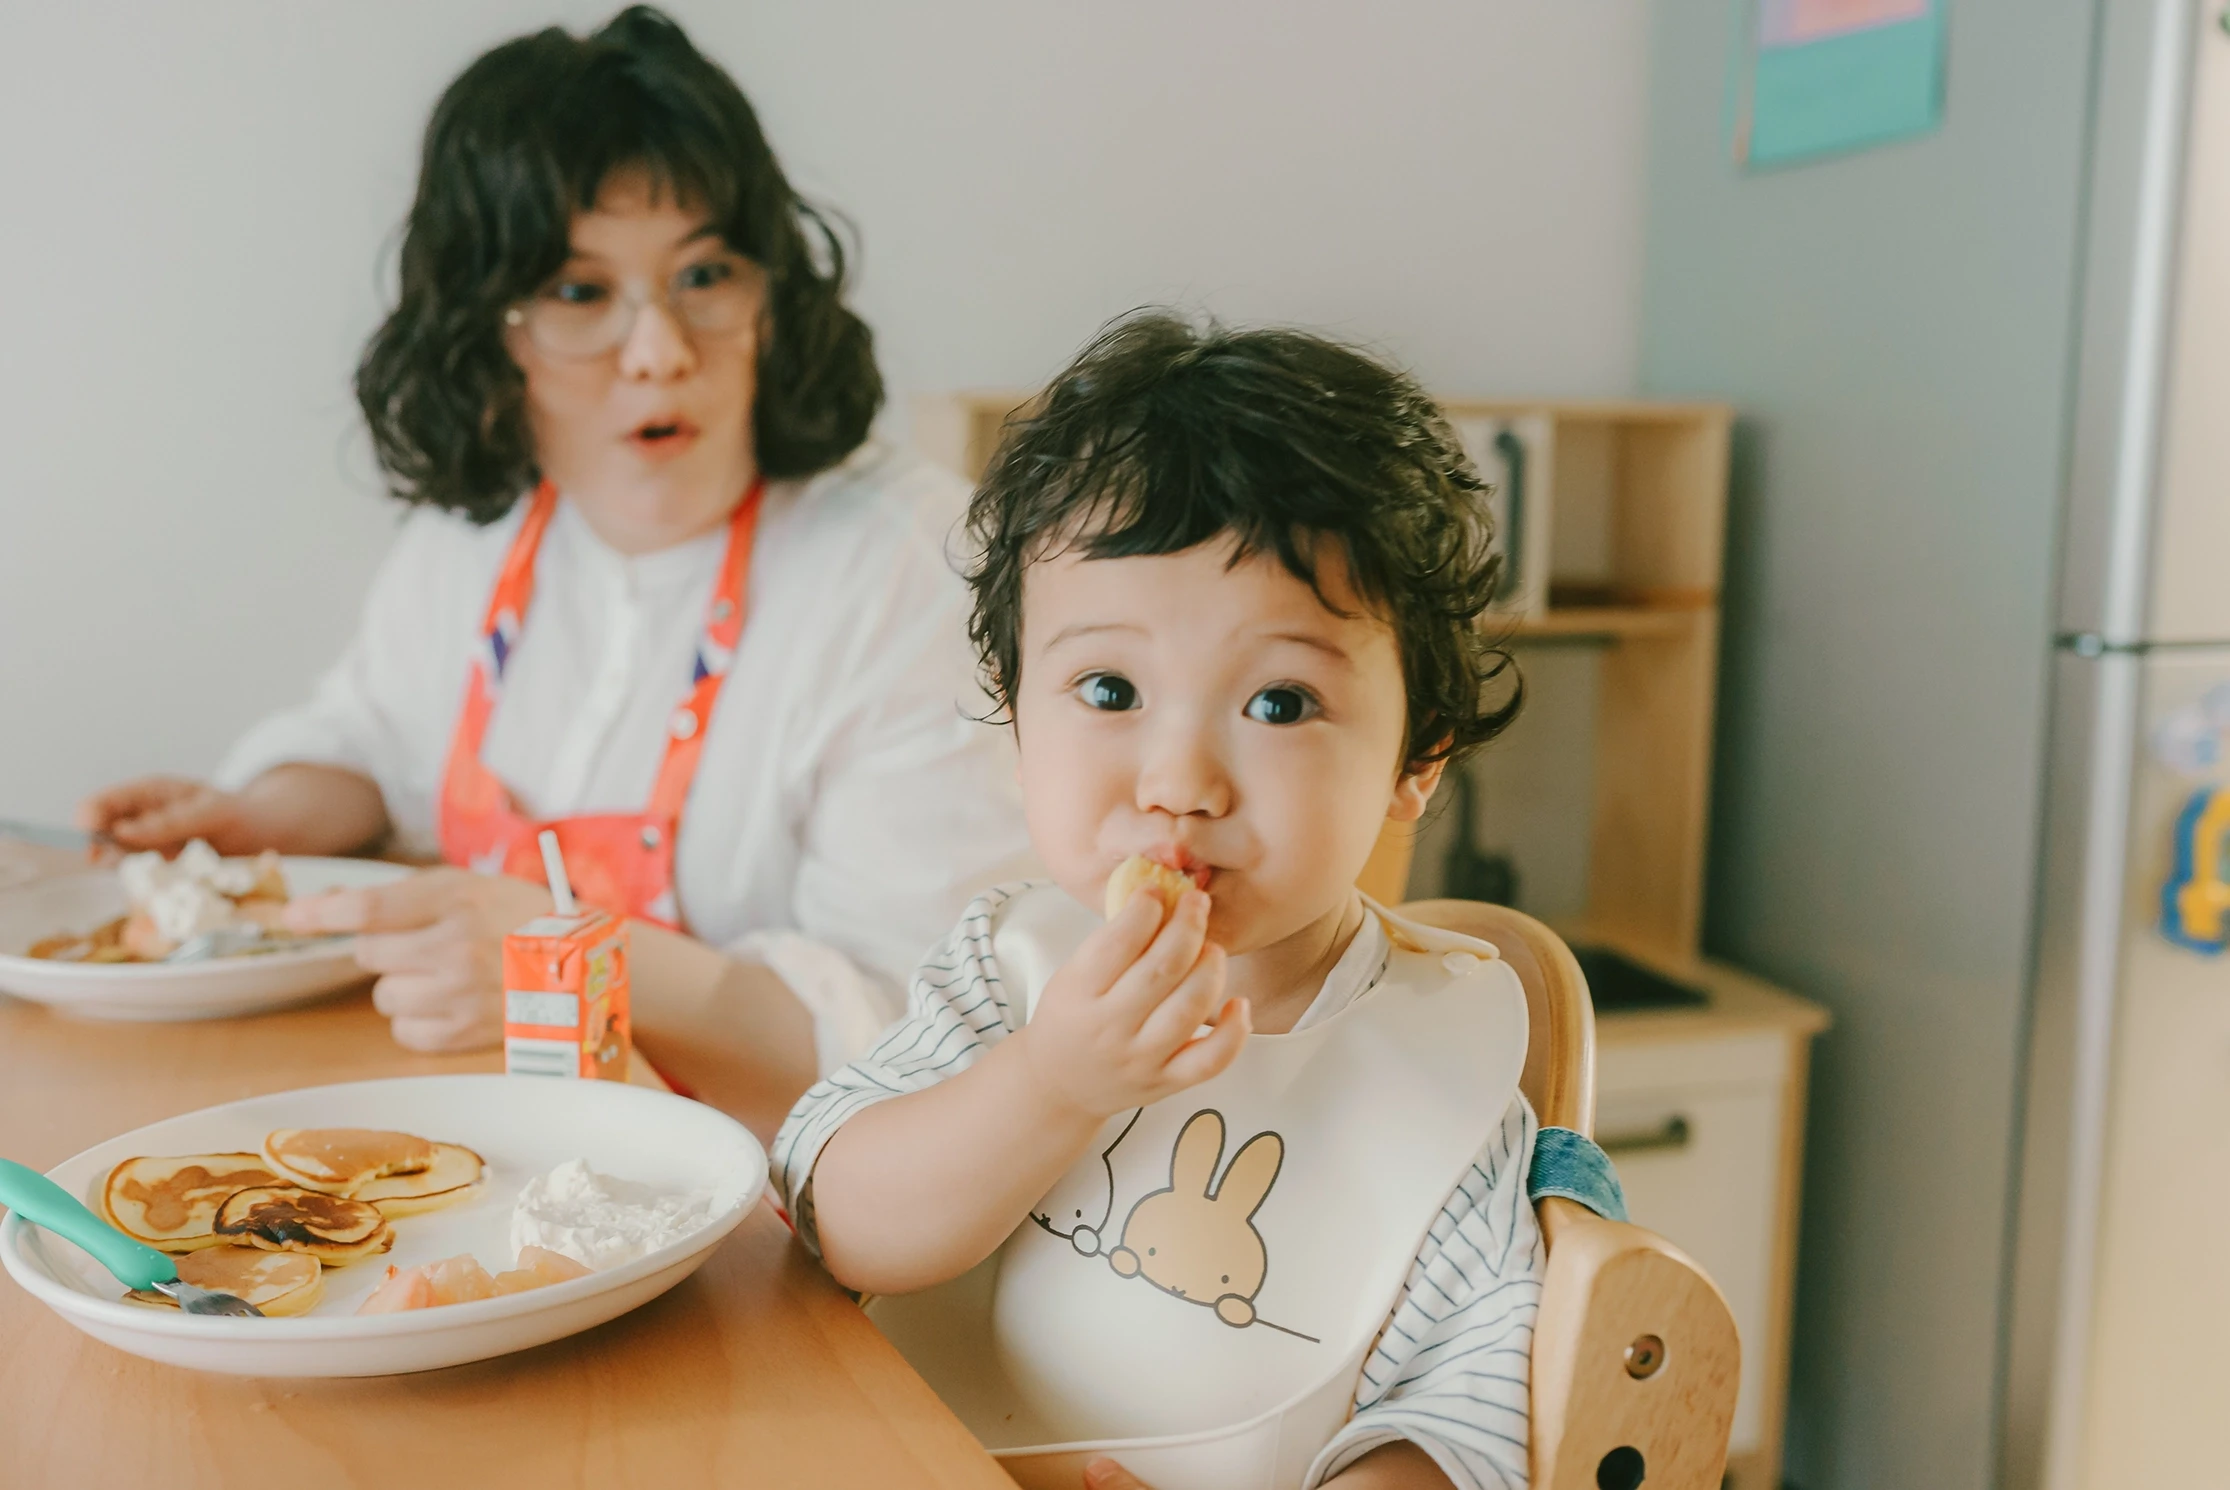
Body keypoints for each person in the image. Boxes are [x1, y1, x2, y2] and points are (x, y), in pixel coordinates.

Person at [78, 8, 1030, 1136]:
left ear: (772, 293)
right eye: (582, 293)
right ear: (488, 333)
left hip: (780, 1207)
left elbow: (924, 1045)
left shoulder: (906, 569)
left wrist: (567, 959)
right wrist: (254, 817)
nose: (659, 351)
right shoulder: (483, 534)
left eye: (706, 273)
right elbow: (378, 739)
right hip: (497, 1136)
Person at [773, 314, 1539, 1490]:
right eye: (1110, 687)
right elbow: (836, 1221)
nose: (1177, 781)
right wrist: (1048, 1080)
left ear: (1417, 756)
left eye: (1279, 703)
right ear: (1014, 709)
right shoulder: (1006, 966)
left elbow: (1472, 1420)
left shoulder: (1451, 1076)